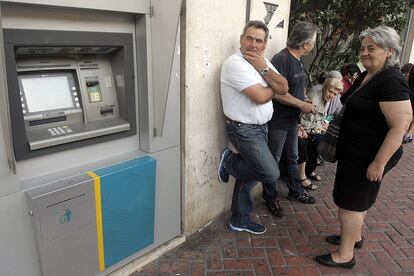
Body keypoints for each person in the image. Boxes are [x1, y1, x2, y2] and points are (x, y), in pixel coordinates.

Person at [314, 26, 412, 269]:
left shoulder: (391, 80)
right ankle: (353, 237)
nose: (365, 53)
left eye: (372, 48)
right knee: (357, 201)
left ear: (389, 51)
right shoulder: (368, 74)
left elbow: (400, 127)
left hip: (369, 155)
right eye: (363, 48)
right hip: (355, 153)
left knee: (350, 205)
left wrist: (378, 163)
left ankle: (344, 255)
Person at [218, 21, 288, 234]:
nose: (253, 44)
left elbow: (283, 87)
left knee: (248, 177)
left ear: (265, 44)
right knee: (269, 173)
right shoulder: (234, 64)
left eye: (258, 40)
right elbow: (259, 96)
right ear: (241, 39)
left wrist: (264, 70)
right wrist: (271, 89)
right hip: (243, 129)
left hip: (261, 127)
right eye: (249, 38)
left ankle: (239, 219)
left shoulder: (263, 62)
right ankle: (229, 160)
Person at [262, 21, 319, 212]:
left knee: (292, 157)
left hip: (291, 121)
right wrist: (301, 104)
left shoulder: (298, 60)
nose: (313, 45)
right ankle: (270, 197)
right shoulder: (281, 60)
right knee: (274, 160)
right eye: (313, 41)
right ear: (306, 44)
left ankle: (295, 190)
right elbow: (277, 93)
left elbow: (297, 87)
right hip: (278, 121)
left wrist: (305, 99)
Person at [298, 77, 344, 189]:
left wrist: (326, 122)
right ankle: (303, 175)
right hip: (305, 129)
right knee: (316, 143)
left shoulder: (331, 99)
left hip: (316, 127)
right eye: (330, 91)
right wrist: (319, 128)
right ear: (325, 88)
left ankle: (310, 170)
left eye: (334, 93)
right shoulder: (315, 97)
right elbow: (306, 120)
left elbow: (333, 114)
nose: (331, 95)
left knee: (323, 142)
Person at [404, 64, 414, 143]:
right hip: (411, 92)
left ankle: (407, 133)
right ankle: (409, 134)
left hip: (411, 92)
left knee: (410, 112)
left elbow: (410, 79)